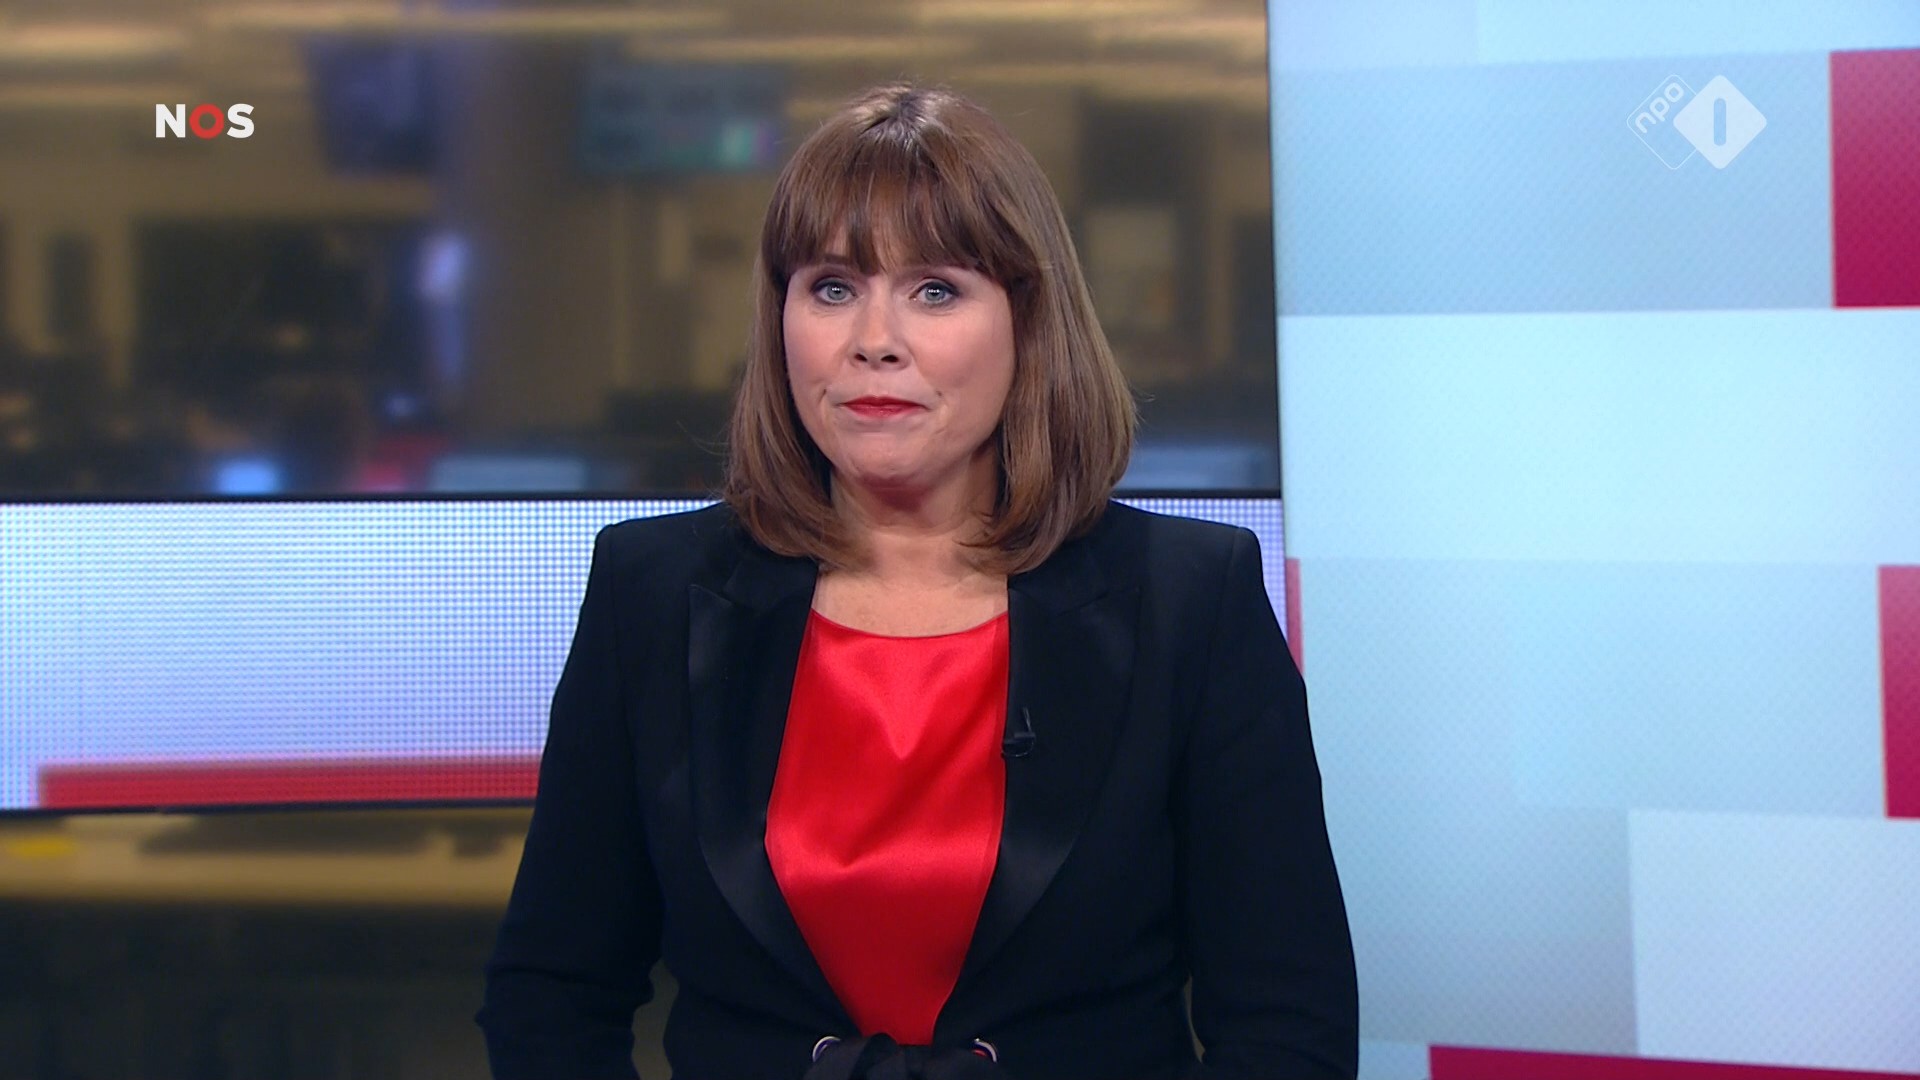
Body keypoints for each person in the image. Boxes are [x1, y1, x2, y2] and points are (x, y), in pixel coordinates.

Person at [476, 82, 1357, 1079]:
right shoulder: (652, 591)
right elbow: (552, 996)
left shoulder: (1190, 600)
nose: (874, 339)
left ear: (1027, 322)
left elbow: (1288, 1027)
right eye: (831, 288)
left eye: (934, 290)